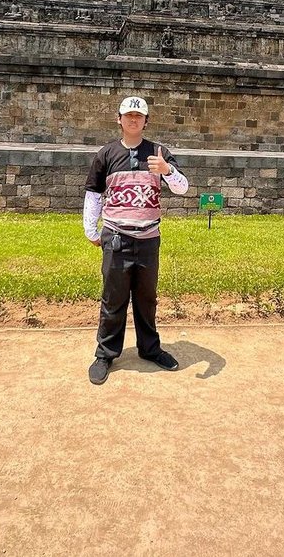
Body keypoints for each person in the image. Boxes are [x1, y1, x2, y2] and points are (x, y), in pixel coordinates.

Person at [83, 95, 189, 385]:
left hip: (148, 239)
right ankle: (106, 353)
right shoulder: (106, 154)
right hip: (116, 237)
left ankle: (150, 348)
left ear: (146, 121)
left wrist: (167, 171)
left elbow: (183, 188)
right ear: (119, 119)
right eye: (128, 115)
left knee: (146, 299)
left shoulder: (159, 153)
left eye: (138, 115)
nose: (133, 119)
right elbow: (93, 194)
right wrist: (91, 230)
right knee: (113, 298)